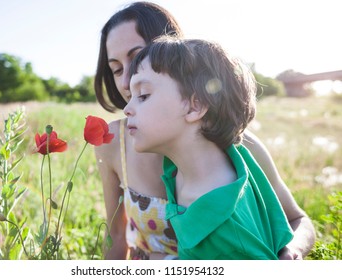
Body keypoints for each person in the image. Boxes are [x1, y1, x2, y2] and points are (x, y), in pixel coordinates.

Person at [94, 1, 315, 260]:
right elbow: (117, 237)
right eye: (116, 69)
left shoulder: (238, 147)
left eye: (137, 58)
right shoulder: (113, 142)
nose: (125, 81)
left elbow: (296, 219)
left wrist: (292, 252)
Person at [124, 36, 294, 259]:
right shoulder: (185, 168)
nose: (127, 108)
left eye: (143, 95)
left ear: (196, 106)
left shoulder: (226, 231)